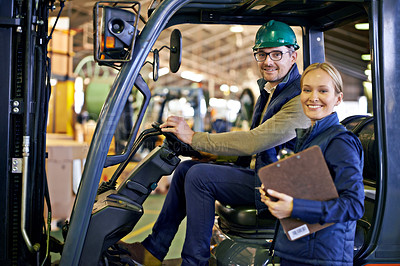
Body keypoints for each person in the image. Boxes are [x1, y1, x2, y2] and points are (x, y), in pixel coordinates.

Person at [119, 20, 310, 265]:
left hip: (277, 184)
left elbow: (256, 141)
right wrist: (211, 154)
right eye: (261, 54)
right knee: (187, 169)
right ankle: (153, 250)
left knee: (201, 177)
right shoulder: (271, 90)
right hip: (261, 173)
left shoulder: (299, 97)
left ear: (293, 56)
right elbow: (260, 147)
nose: (267, 61)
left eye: (276, 54)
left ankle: (194, 262)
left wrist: (194, 137)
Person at [259, 62, 365, 265]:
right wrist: (276, 192)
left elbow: (353, 205)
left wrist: (293, 207)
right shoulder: (309, 138)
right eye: (306, 90)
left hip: (321, 258)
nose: (313, 97)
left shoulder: (340, 142)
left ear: (338, 98)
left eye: (323, 91)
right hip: (298, 251)